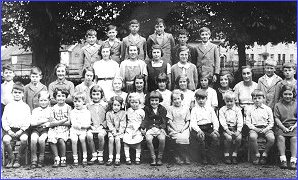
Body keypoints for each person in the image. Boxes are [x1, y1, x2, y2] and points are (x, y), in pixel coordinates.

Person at [2, 82, 31, 168]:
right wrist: (8, 130)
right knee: (6, 140)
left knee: (24, 139)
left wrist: (21, 130)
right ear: (12, 93)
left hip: (22, 130)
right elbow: (4, 119)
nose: (17, 94)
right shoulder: (8, 106)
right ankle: (11, 158)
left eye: (19, 93)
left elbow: (27, 120)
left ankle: (18, 158)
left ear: (23, 94)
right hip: (10, 129)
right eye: (15, 92)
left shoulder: (26, 107)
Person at [190, 89, 220, 165]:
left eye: (203, 98)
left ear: (206, 99)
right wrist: (198, 130)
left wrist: (215, 129)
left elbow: (215, 120)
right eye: (198, 99)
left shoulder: (210, 109)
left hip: (209, 128)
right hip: (199, 128)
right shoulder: (194, 110)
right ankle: (203, 157)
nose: (201, 101)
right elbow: (193, 123)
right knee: (201, 137)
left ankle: (211, 156)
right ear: (196, 99)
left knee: (215, 137)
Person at [246, 89, 275, 165]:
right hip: (254, 128)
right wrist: (255, 129)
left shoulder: (267, 109)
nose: (257, 100)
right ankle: (257, 154)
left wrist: (266, 129)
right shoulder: (249, 109)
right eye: (255, 98)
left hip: (266, 128)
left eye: (259, 98)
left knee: (271, 138)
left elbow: (271, 122)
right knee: (252, 137)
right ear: (252, 99)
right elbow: (248, 122)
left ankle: (265, 154)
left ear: (263, 98)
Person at [141, 91, 168, 166]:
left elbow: (164, 120)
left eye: (156, 100)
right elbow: (145, 119)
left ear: (159, 101)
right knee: (148, 139)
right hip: (150, 128)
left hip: (159, 128)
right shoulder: (146, 109)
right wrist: (143, 127)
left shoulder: (162, 109)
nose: (154, 102)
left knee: (162, 139)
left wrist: (162, 128)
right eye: (152, 100)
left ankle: (159, 157)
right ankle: (153, 157)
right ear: (149, 101)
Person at [274, 84, 296, 170]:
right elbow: (277, 119)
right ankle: (283, 159)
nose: (287, 96)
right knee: (280, 137)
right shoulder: (278, 105)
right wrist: (283, 127)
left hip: (294, 127)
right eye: (285, 94)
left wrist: (294, 126)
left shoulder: (296, 104)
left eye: (290, 94)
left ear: (293, 94)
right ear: (282, 94)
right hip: (281, 126)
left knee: (294, 138)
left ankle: (293, 160)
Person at [47, 88, 71, 168]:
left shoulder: (68, 108)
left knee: (61, 140)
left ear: (66, 97)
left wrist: (57, 123)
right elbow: (51, 123)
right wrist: (63, 120)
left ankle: (63, 158)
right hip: (54, 129)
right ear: (55, 97)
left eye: (63, 96)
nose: (61, 98)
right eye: (59, 96)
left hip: (64, 129)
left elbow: (69, 122)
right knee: (52, 139)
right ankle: (56, 158)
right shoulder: (53, 108)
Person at [219, 91, 243, 164]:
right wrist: (227, 130)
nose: (229, 103)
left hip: (235, 128)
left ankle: (234, 154)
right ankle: (226, 155)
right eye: (227, 101)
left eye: (231, 101)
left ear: (234, 101)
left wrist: (238, 131)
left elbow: (240, 121)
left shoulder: (238, 110)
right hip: (226, 129)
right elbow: (222, 121)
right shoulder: (222, 110)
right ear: (225, 101)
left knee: (238, 138)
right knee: (229, 138)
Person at [167, 90, 191, 165]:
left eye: (178, 99)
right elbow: (170, 120)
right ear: (172, 100)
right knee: (178, 138)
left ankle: (185, 155)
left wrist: (183, 129)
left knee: (184, 137)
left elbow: (187, 121)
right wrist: (175, 128)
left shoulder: (186, 108)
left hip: (183, 127)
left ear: (181, 99)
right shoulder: (170, 108)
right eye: (174, 99)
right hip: (174, 127)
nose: (177, 101)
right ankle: (177, 156)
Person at [30, 91, 52, 168]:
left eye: (45, 100)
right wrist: (44, 120)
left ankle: (41, 158)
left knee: (41, 140)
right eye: (41, 100)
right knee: (33, 139)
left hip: (46, 130)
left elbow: (51, 122)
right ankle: (34, 158)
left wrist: (39, 122)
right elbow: (32, 123)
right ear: (38, 100)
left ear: (49, 100)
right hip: (35, 129)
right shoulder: (35, 110)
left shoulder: (51, 110)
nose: (43, 102)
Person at [86, 85, 108, 165]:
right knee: (89, 135)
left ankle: (100, 154)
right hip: (91, 127)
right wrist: (91, 125)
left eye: (98, 94)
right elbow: (86, 117)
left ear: (101, 95)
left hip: (102, 127)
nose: (96, 96)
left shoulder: (105, 105)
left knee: (101, 135)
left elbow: (107, 118)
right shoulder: (88, 106)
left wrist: (102, 126)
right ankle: (94, 154)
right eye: (94, 94)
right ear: (91, 95)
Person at [69, 92, 91, 166]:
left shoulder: (87, 112)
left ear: (83, 102)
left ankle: (85, 157)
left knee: (82, 138)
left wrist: (83, 126)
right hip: (74, 130)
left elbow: (88, 123)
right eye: (75, 101)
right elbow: (73, 123)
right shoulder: (72, 112)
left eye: (79, 101)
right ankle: (75, 158)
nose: (77, 103)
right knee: (74, 140)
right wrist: (81, 126)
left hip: (83, 130)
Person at [123, 93, 144, 165]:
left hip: (138, 129)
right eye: (132, 102)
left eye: (136, 102)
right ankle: (127, 157)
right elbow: (125, 120)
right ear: (129, 103)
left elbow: (144, 121)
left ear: (139, 102)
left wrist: (142, 128)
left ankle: (137, 157)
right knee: (126, 140)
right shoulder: (128, 110)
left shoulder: (141, 111)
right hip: (129, 129)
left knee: (138, 140)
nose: (134, 104)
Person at [106, 96, 126, 166]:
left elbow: (123, 124)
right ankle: (110, 158)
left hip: (120, 131)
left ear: (121, 106)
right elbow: (109, 123)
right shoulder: (108, 113)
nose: (116, 107)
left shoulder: (123, 113)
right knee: (111, 139)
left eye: (118, 105)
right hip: (111, 131)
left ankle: (118, 158)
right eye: (114, 105)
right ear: (111, 105)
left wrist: (119, 132)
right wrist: (113, 131)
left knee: (117, 139)